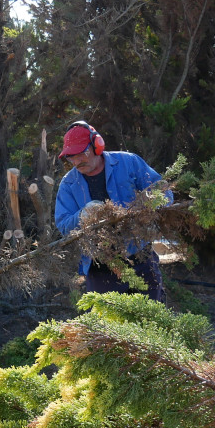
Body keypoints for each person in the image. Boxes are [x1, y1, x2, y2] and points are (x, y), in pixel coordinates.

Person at [54, 120, 172, 300]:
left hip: (139, 253)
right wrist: (83, 214)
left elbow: (164, 192)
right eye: (71, 157)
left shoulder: (128, 163)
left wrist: (149, 204)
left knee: (152, 317)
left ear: (97, 145)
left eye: (82, 154)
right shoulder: (69, 184)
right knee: (104, 325)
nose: (77, 161)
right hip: (100, 264)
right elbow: (63, 225)